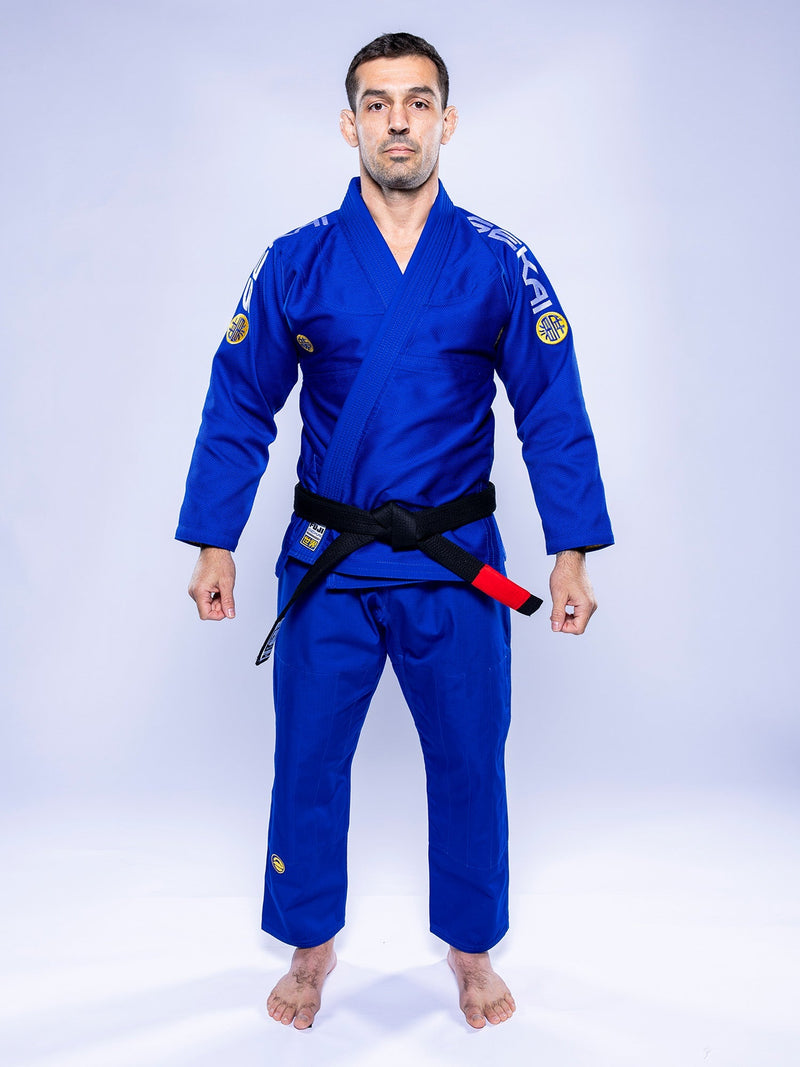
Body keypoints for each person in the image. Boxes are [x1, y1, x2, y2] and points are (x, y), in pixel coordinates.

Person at [177, 31, 613, 1030]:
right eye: (377, 104)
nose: (398, 121)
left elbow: (549, 405)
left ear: (445, 122)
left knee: (469, 757)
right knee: (307, 760)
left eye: (417, 102)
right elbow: (240, 400)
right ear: (349, 124)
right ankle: (309, 947)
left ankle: (469, 951)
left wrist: (570, 550)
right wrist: (211, 538)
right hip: (328, 565)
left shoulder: (498, 262)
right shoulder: (297, 259)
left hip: (456, 569)